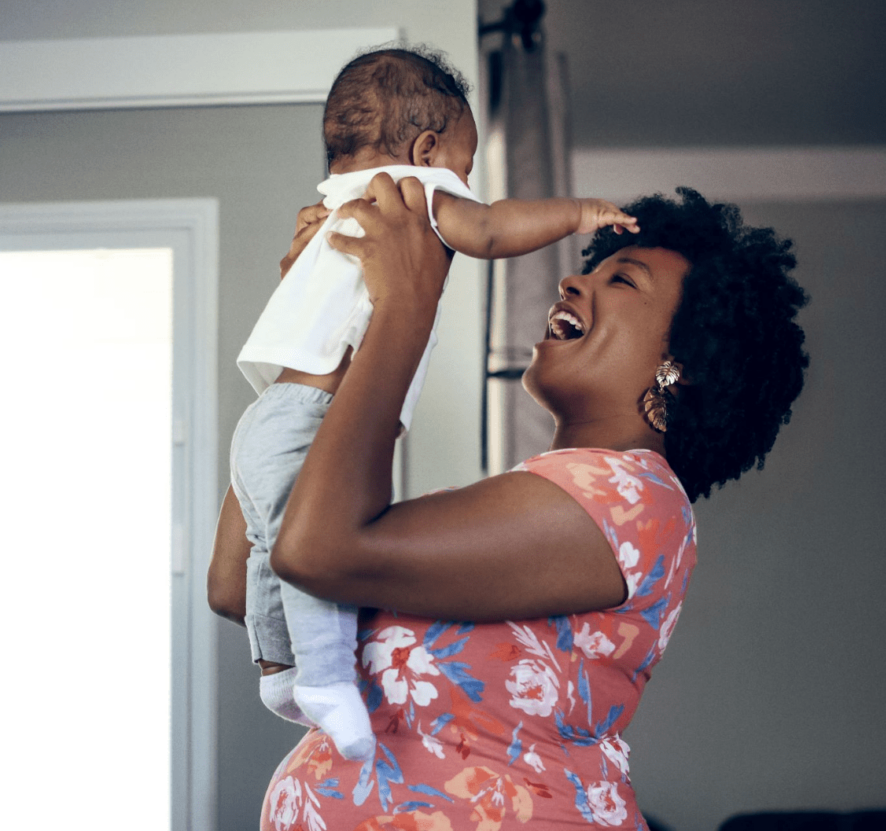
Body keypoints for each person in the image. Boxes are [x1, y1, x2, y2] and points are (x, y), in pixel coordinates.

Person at [208, 175, 809, 828]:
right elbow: (244, 586)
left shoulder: (636, 501)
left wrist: (407, 302)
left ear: (683, 362)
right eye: (592, 271)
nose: (572, 284)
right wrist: (323, 330)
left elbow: (316, 551)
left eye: (623, 280)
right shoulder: (540, 502)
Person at [227, 45, 638, 762]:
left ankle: (277, 667)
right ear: (425, 149)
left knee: (271, 553)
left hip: (264, 415)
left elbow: (232, 583)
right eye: (466, 166)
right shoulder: (413, 191)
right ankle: (320, 677)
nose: (467, 186)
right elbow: (492, 228)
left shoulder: (333, 205)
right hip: (305, 419)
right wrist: (575, 212)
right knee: (293, 557)